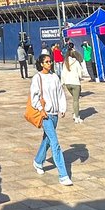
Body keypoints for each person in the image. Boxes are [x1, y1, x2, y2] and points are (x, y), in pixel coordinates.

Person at [30, 52, 73, 186]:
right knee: (55, 143)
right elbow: (34, 97)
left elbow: (60, 93)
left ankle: (38, 161)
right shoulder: (37, 78)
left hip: (55, 114)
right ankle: (63, 175)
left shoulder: (54, 76)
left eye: (51, 61)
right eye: (47, 61)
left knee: (47, 140)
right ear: (41, 63)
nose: (50, 63)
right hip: (45, 115)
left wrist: (62, 108)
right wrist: (41, 109)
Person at [61, 48, 86, 123]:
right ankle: (76, 116)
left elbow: (63, 73)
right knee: (76, 100)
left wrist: (62, 82)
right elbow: (80, 73)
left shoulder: (65, 62)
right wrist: (80, 77)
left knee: (74, 98)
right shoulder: (76, 62)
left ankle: (75, 113)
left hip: (67, 83)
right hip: (75, 82)